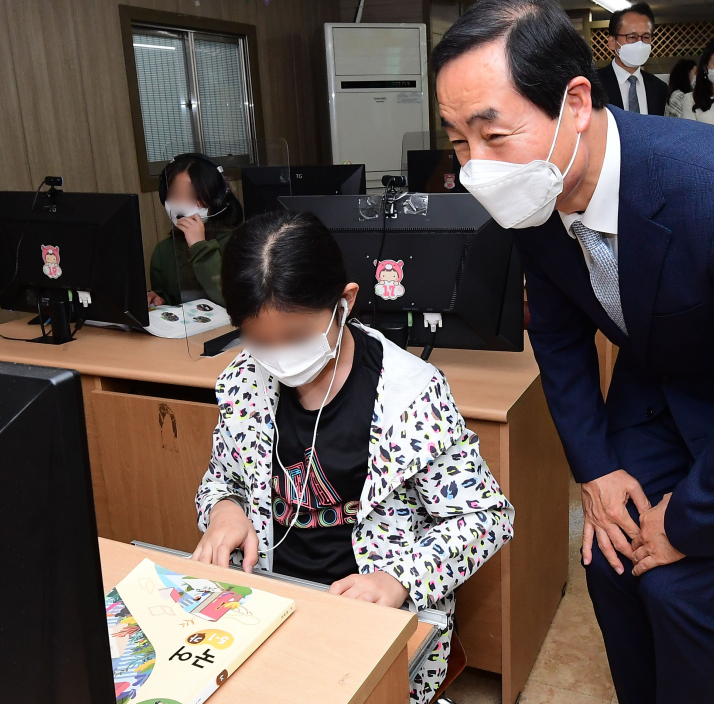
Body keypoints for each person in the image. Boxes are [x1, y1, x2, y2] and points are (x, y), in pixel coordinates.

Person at [433, 0, 714, 704]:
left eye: (491, 134)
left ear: (574, 102)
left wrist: (685, 521)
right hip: (654, 389)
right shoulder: (532, 194)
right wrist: (594, 471)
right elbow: (561, 343)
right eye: (455, 141)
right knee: (606, 555)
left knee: (672, 581)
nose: (476, 168)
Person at [191, 210, 514, 704]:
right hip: (266, 603)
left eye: (296, 337)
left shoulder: (409, 396)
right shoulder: (244, 382)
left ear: (345, 302)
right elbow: (222, 478)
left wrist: (398, 579)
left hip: (367, 617)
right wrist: (223, 509)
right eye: (258, 341)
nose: (278, 356)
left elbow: (485, 518)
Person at [147, 153, 243, 308]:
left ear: (217, 200)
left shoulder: (238, 244)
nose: (182, 203)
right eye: (174, 194)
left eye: (193, 195)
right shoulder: (163, 250)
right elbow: (172, 299)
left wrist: (199, 246)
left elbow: (234, 300)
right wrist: (159, 298)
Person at [596, 2, 668, 116]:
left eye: (645, 37)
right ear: (612, 42)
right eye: (632, 37)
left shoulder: (658, 88)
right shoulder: (593, 84)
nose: (639, 43)